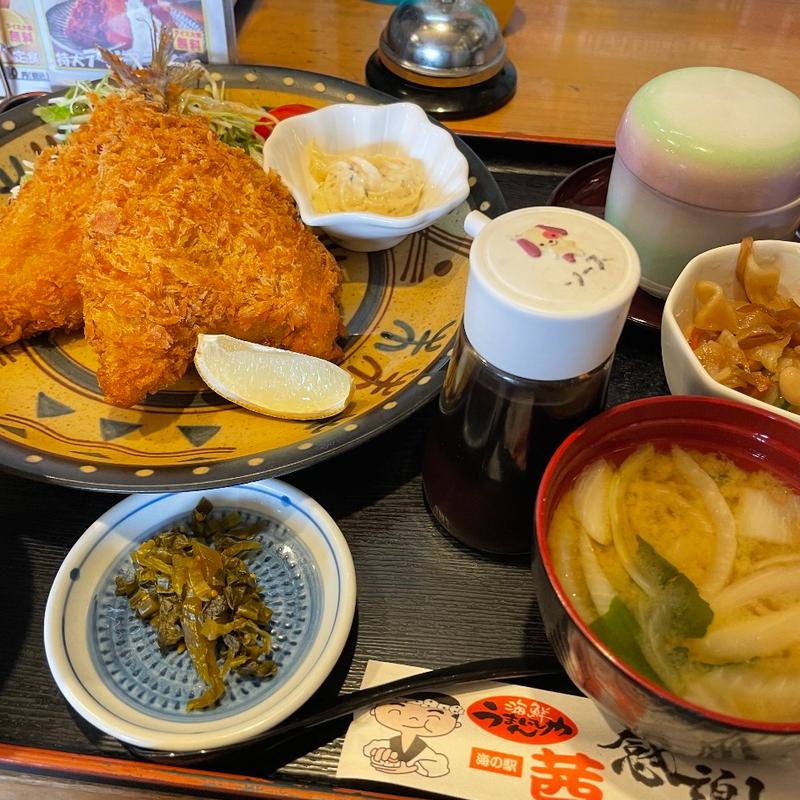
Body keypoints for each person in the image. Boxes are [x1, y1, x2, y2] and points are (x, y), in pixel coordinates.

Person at [362, 691, 463, 778]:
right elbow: (367, 749)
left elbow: (439, 769)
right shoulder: (380, 744)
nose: (414, 718)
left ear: (456, 724)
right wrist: (377, 753)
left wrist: (413, 768)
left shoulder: (429, 755)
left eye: (433, 715)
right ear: (373, 710)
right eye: (399, 708)